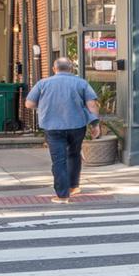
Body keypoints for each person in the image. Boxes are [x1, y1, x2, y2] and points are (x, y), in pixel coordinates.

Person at [26, 58, 101, 202]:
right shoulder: (81, 83)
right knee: (73, 154)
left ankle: (62, 195)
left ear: (54, 69)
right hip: (77, 125)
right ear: (71, 69)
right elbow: (92, 105)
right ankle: (73, 186)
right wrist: (95, 124)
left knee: (59, 161)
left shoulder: (43, 84)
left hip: (52, 127)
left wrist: (43, 106)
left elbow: (29, 104)